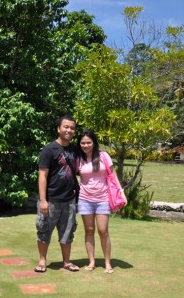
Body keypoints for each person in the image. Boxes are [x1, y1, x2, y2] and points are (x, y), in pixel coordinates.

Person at [35, 115, 80, 273]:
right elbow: (42, 176)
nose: (69, 130)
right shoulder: (49, 149)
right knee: (44, 230)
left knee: (68, 231)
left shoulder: (75, 150)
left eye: (72, 128)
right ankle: (42, 261)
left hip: (69, 200)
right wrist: (42, 200)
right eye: (66, 127)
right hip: (50, 200)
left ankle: (67, 262)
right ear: (58, 129)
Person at [76, 130, 126, 274]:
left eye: (88, 142)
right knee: (89, 230)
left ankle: (107, 262)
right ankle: (91, 261)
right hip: (85, 199)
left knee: (103, 231)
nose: (85, 145)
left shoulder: (103, 156)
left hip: (103, 198)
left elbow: (113, 174)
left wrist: (121, 192)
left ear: (94, 143)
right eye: (83, 143)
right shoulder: (79, 158)